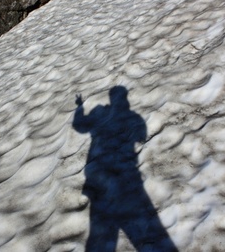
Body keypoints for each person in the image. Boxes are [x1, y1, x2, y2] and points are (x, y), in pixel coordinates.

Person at [73, 86, 177, 251]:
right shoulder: (132, 117)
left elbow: (80, 127)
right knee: (147, 228)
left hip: (103, 177)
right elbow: (141, 136)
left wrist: (79, 108)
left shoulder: (103, 116)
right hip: (128, 177)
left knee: (100, 235)